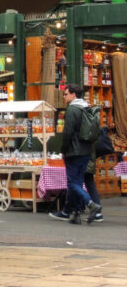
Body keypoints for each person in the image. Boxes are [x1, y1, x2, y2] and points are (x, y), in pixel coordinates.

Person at [49, 84, 101, 224]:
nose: (64, 96)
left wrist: (63, 149)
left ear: (73, 94)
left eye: (66, 94)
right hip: (86, 150)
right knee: (77, 182)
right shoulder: (86, 107)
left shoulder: (72, 109)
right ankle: (75, 213)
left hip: (74, 151)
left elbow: (68, 132)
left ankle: (90, 204)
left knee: (72, 183)